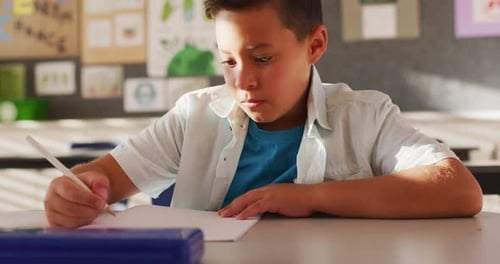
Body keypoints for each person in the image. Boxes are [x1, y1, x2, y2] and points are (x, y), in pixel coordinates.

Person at [44, 0, 483, 228]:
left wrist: (307, 197)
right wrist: (76, 191)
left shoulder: (364, 116)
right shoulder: (193, 115)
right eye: (229, 61)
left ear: (314, 45)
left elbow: (458, 191)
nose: (244, 82)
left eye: (263, 59)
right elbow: (102, 177)